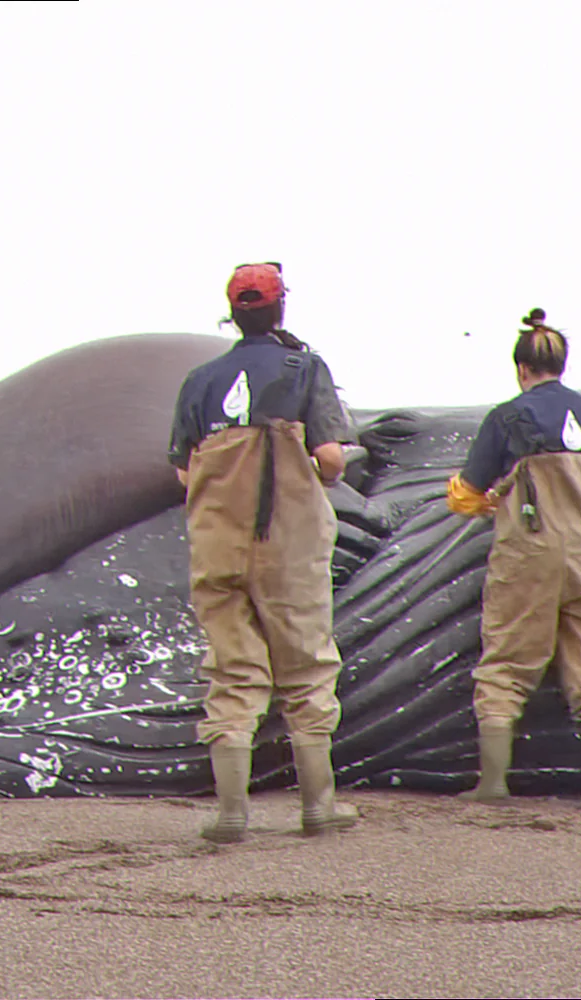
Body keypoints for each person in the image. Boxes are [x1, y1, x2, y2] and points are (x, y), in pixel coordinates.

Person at [169, 262, 359, 842]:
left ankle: (231, 813)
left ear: (234, 313)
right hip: (289, 542)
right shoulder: (306, 368)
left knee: (231, 671)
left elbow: (184, 472)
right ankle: (318, 808)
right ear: (280, 310)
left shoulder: (199, 381)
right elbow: (328, 456)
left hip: (218, 543)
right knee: (306, 667)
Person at [445, 308, 581, 813]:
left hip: (528, 553)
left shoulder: (507, 417)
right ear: (562, 364)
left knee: (507, 660)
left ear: (521, 369)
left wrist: (489, 504)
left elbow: (465, 494)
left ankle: (492, 784)